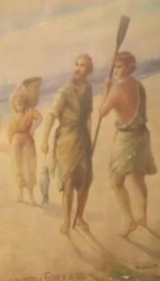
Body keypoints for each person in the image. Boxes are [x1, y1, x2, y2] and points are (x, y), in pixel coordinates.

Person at [99, 51, 157, 237]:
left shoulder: (117, 90)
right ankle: (143, 217)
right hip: (141, 135)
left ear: (129, 67)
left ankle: (129, 221)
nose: (116, 70)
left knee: (116, 181)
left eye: (120, 66)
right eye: (114, 66)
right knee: (138, 177)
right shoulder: (139, 86)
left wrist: (106, 89)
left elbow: (102, 112)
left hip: (127, 139)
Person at [42, 54, 95, 234]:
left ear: (88, 71)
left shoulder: (89, 90)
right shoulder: (64, 91)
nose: (78, 69)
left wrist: (90, 138)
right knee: (68, 181)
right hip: (66, 139)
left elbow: (88, 117)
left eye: (82, 67)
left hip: (83, 139)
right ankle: (66, 220)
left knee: (85, 181)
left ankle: (79, 217)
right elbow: (51, 115)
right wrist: (44, 139)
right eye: (77, 65)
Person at [8, 79, 43, 205]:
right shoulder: (13, 115)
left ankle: (31, 196)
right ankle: (20, 194)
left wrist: (33, 128)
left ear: (25, 104)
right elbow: (10, 132)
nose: (19, 106)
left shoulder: (29, 112)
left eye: (21, 103)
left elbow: (40, 118)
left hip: (27, 142)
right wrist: (17, 87)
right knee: (18, 168)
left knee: (29, 167)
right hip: (15, 143)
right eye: (17, 104)